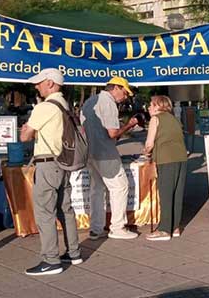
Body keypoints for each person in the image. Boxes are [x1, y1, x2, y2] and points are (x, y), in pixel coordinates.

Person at [20, 68, 82, 276]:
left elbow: (25, 137)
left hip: (47, 163)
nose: (36, 86)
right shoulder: (65, 105)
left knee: (45, 212)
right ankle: (74, 252)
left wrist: (27, 129)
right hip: (63, 162)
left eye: (39, 82)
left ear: (50, 83)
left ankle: (51, 260)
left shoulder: (45, 107)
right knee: (66, 209)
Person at [80, 76, 139, 240]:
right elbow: (112, 133)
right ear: (116, 88)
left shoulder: (89, 102)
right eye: (125, 93)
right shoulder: (109, 103)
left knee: (97, 190)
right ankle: (118, 227)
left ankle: (96, 228)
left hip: (90, 153)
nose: (125, 97)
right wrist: (129, 125)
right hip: (105, 153)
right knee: (120, 187)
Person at [143, 95, 188, 241]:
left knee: (166, 193)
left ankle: (163, 230)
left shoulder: (156, 119)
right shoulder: (174, 119)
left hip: (166, 159)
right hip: (181, 158)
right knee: (177, 193)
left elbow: (149, 143)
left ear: (158, 106)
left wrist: (146, 152)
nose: (149, 107)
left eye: (151, 104)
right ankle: (174, 226)